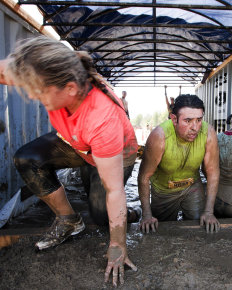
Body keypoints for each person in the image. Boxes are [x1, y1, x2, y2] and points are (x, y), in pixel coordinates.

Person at [0, 36, 138, 286]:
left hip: (114, 153)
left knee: (101, 213)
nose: (32, 96)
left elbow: (115, 190)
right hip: (76, 141)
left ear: (71, 89)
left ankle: (132, 212)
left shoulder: (102, 119)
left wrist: (118, 245)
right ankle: (69, 220)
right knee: (27, 159)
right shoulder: (51, 75)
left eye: (39, 91)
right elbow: (5, 72)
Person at [138, 94, 220, 233]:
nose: (195, 127)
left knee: (199, 227)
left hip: (192, 187)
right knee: (162, 231)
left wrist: (209, 212)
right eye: (188, 121)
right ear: (174, 119)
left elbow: (213, 173)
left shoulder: (208, 133)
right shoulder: (159, 136)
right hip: (164, 190)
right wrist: (146, 215)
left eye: (199, 120)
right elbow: (144, 177)